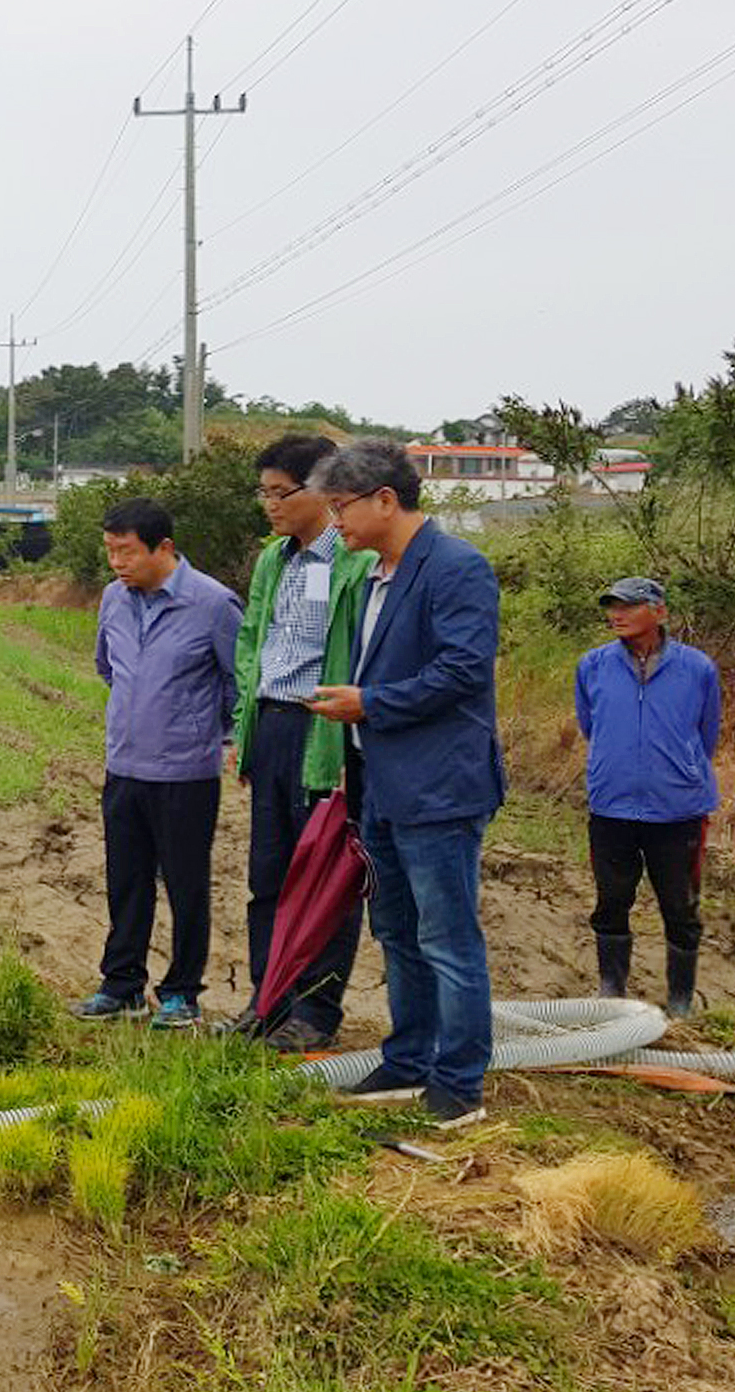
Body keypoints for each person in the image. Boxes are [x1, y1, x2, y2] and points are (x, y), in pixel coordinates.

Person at [307, 440, 503, 1129]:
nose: (335, 524)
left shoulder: (455, 569)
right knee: (397, 930)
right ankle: (409, 1057)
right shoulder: (373, 576)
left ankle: (458, 1083)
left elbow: (461, 671)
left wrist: (370, 704)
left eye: (341, 508)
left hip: (438, 787)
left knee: (448, 936)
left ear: (385, 499)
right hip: (381, 783)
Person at [227, 435, 377, 1051]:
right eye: (263, 493)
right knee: (269, 875)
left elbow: (364, 656)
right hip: (274, 727)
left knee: (325, 877)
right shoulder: (275, 560)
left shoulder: (356, 562)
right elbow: (250, 646)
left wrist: (347, 744)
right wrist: (246, 728)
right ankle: (269, 999)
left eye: (279, 493)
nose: (270, 505)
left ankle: (316, 1014)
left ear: (321, 489)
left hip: (327, 732)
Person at [74, 497, 242, 1030]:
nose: (117, 563)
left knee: (186, 884)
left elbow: (238, 683)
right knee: (126, 881)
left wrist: (203, 731)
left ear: (163, 548)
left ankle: (181, 993)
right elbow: (109, 667)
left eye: (126, 552)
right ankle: (121, 985)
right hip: (124, 766)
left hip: (186, 774)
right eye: (110, 552)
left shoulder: (213, 604)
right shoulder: (113, 599)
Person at [574, 576, 720, 1016]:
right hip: (612, 806)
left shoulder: (697, 668)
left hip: (677, 811)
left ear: (658, 611)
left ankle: (679, 1000)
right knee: (612, 901)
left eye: (628, 606)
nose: (615, 614)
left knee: (680, 907)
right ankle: (611, 991)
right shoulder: (593, 665)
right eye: (612, 606)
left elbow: (706, 734)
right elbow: (590, 726)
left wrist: (680, 769)